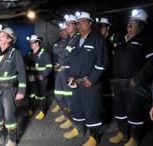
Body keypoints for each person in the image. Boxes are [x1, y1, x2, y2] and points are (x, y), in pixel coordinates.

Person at [110, 9, 153, 146]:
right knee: (119, 109)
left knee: (133, 110)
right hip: (118, 82)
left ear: (142, 26)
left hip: (134, 83)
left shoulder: (146, 39)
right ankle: (122, 134)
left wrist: (138, 79)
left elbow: (152, 62)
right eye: (130, 21)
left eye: (135, 22)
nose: (130, 24)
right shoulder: (121, 41)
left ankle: (134, 138)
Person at [64, 11, 108, 146]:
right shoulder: (76, 40)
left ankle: (94, 137)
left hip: (89, 83)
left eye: (84, 21)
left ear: (90, 23)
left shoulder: (97, 39)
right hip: (74, 82)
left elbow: (102, 62)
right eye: (79, 22)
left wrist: (92, 79)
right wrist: (68, 76)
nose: (80, 24)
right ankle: (79, 130)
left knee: (91, 109)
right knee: (77, 107)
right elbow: (68, 60)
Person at [53, 14, 80, 130]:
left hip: (70, 72)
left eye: (70, 24)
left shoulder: (77, 37)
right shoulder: (67, 38)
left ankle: (73, 121)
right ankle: (67, 115)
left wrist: (62, 51)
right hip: (60, 70)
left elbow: (65, 53)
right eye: (66, 24)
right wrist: (62, 51)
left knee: (70, 98)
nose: (67, 26)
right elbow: (55, 49)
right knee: (59, 95)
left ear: (76, 26)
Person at [97, 17, 125, 123]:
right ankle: (108, 113)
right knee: (105, 92)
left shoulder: (115, 37)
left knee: (115, 93)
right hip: (104, 71)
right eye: (99, 27)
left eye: (102, 27)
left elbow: (119, 53)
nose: (100, 29)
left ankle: (118, 114)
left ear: (108, 27)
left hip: (115, 71)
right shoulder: (99, 39)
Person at [24, 35, 53, 120]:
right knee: (30, 95)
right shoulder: (29, 53)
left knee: (40, 95)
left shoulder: (45, 53)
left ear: (37, 43)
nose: (30, 44)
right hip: (30, 78)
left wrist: (43, 75)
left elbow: (49, 66)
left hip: (41, 79)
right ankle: (31, 109)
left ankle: (42, 111)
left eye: (32, 43)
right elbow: (25, 66)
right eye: (30, 43)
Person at [51, 22, 69, 114]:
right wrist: (64, 52)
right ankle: (63, 110)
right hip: (58, 69)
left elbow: (68, 53)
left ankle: (70, 115)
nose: (62, 32)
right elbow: (55, 49)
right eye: (61, 30)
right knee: (59, 92)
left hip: (67, 70)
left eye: (64, 30)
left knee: (68, 93)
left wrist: (63, 52)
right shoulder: (58, 41)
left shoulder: (72, 40)